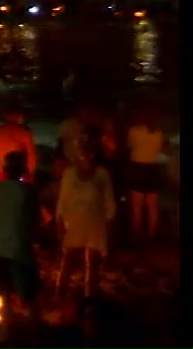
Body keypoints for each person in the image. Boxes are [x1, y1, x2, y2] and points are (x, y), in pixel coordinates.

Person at [0, 152, 41, 334]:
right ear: (23, 170)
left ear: (4, 169)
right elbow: (34, 220)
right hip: (19, 251)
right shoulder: (28, 192)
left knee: (4, 297)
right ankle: (35, 338)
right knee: (29, 299)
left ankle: (7, 336)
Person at [55, 141, 116, 298]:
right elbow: (62, 201)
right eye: (81, 153)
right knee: (67, 261)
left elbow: (109, 202)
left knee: (92, 264)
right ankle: (59, 294)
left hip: (94, 224)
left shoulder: (102, 174)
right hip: (73, 223)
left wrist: (109, 227)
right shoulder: (69, 174)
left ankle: (89, 299)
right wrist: (60, 223)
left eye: (88, 153)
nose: (84, 157)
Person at [125, 110, 165, 241]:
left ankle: (137, 232)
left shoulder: (134, 131)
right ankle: (151, 233)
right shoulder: (158, 133)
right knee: (152, 204)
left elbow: (129, 145)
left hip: (138, 168)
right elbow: (159, 151)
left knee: (137, 204)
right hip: (153, 169)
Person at [0, 103, 37, 182]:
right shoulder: (23, 132)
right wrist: (29, 174)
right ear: (19, 116)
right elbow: (31, 156)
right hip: (19, 174)